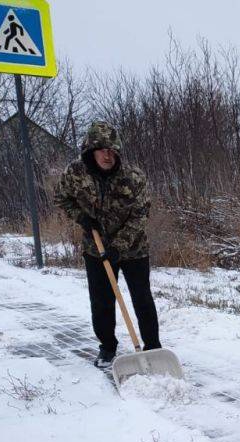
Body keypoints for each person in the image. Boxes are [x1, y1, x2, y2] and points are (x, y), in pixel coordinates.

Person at [55, 121, 160, 368]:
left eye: (112, 149)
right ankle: (107, 348)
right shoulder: (75, 173)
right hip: (95, 248)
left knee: (142, 298)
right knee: (101, 301)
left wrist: (119, 247)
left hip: (134, 249)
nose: (107, 155)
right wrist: (81, 217)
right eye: (102, 149)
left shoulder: (133, 177)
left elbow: (140, 215)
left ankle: (153, 347)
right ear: (90, 150)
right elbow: (62, 198)